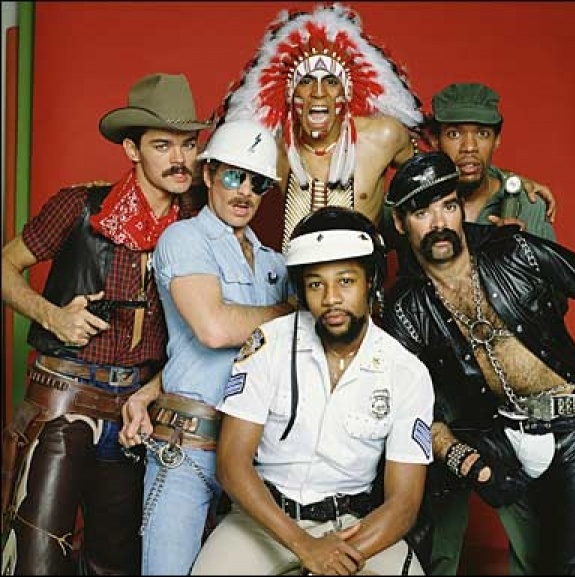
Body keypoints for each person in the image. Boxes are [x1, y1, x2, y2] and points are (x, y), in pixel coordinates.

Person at [1, 72, 208, 575]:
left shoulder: (199, 223)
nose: (180, 159)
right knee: (36, 554)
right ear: (132, 150)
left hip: (138, 410)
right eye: (162, 145)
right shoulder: (79, 207)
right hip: (64, 396)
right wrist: (52, 315)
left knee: (116, 562)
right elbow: (4, 265)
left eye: (188, 144)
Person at [381, 151, 575, 575]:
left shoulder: (516, 252)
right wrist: (465, 460)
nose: (439, 223)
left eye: (448, 206)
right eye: (422, 213)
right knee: (420, 483)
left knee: (569, 567)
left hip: (571, 429)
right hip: (498, 433)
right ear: (401, 224)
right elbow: (409, 411)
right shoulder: (406, 309)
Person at [191, 206, 435, 576]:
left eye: (346, 281)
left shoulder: (407, 373)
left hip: (354, 526)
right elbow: (231, 464)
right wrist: (304, 546)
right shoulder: (268, 344)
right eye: (316, 284)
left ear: (370, 281)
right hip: (264, 519)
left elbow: (404, 503)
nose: (331, 298)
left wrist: (336, 557)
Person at [214, 4, 556, 253]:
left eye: (330, 81)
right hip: (294, 296)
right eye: (305, 82)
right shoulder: (272, 146)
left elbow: (435, 172)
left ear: (346, 92)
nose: (318, 93)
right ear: (290, 93)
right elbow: (216, 179)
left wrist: (508, 182)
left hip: (364, 299)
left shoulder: (383, 136)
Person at [117, 118, 295, 575]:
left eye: (258, 183)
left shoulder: (275, 264)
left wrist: (151, 387)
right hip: (188, 446)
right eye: (234, 176)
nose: (245, 192)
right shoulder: (184, 239)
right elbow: (213, 329)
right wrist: (293, 314)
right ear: (209, 173)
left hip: (257, 453)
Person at [427, 82, 556, 238]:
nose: (469, 147)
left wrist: (518, 248)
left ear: (496, 140)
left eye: (483, 134)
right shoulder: (416, 203)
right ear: (435, 140)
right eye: (454, 134)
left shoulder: (529, 206)